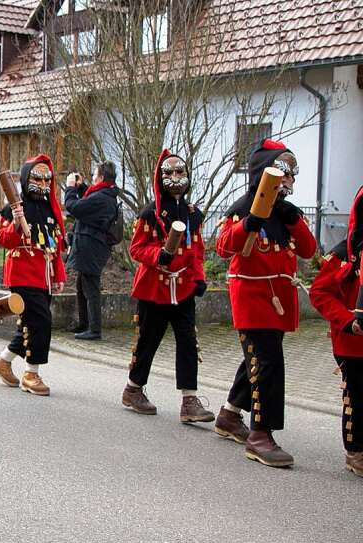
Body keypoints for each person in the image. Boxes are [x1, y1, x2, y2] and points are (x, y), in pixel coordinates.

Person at [214, 139, 316, 467]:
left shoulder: (286, 214)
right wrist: (251, 222)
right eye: (285, 173)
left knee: (255, 362)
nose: (290, 182)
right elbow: (223, 247)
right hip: (253, 299)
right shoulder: (243, 208)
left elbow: (308, 250)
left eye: (293, 175)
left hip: (278, 301)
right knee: (268, 365)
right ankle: (261, 435)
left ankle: (229, 415)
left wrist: (293, 219)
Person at [123, 150, 214, 422]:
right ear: (161, 178)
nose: (175, 178)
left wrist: (199, 277)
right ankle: (133, 389)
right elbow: (136, 248)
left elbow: (197, 250)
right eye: (169, 173)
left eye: (180, 172)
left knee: (188, 341)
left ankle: (189, 400)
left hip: (183, 287)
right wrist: (157, 255)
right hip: (155, 287)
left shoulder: (193, 213)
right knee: (148, 340)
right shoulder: (150, 213)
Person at [0, 154, 66, 395]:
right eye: (37, 179)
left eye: (47, 181)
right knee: (41, 322)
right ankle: (31, 373)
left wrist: (58, 276)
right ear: (26, 179)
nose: (43, 185)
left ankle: (3, 361)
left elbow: (55, 247)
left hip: (44, 274)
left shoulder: (50, 210)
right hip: (22, 273)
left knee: (29, 322)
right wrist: (15, 221)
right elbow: (5, 241)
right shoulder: (13, 207)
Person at [310, 184, 363, 478]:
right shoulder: (343, 254)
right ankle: (355, 452)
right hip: (351, 341)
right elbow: (320, 293)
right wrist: (346, 320)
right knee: (356, 397)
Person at [64, 161, 120, 340]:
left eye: (95, 175)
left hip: (91, 249)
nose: (93, 178)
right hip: (92, 247)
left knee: (91, 288)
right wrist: (82, 187)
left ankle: (94, 330)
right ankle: (84, 324)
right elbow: (90, 200)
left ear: (102, 178)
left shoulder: (102, 198)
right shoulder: (105, 194)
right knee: (82, 285)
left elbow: (74, 207)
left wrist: (71, 188)